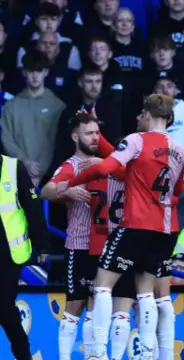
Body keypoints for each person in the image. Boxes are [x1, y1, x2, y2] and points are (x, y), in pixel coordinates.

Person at [55, 94, 184, 360]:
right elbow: (177, 193)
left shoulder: (137, 141)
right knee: (148, 291)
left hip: (136, 224)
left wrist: (71, 182)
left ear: (148, 114)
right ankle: (150, 354)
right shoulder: (180, 150)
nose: (139, 117)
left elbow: (106, 166)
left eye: (141, 113)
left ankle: (98, 352)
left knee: (102, 286)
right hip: (164, 230)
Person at [40, 114, 111, 360]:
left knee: (96, 305)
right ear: (75, 136)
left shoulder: (107, 163)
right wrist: (66, 188)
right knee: (74, 305)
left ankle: (93, 356)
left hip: (104, 243)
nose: (95, 138)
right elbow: (46, 191)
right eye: (89, 133)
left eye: (96, 132)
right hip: (79, 243)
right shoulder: (71, 165)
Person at [0, 157, 49, 358]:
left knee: (4, 309)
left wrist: (42, 245)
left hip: (8, 256)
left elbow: (32, 207)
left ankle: (23, 355)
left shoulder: (13, 167)